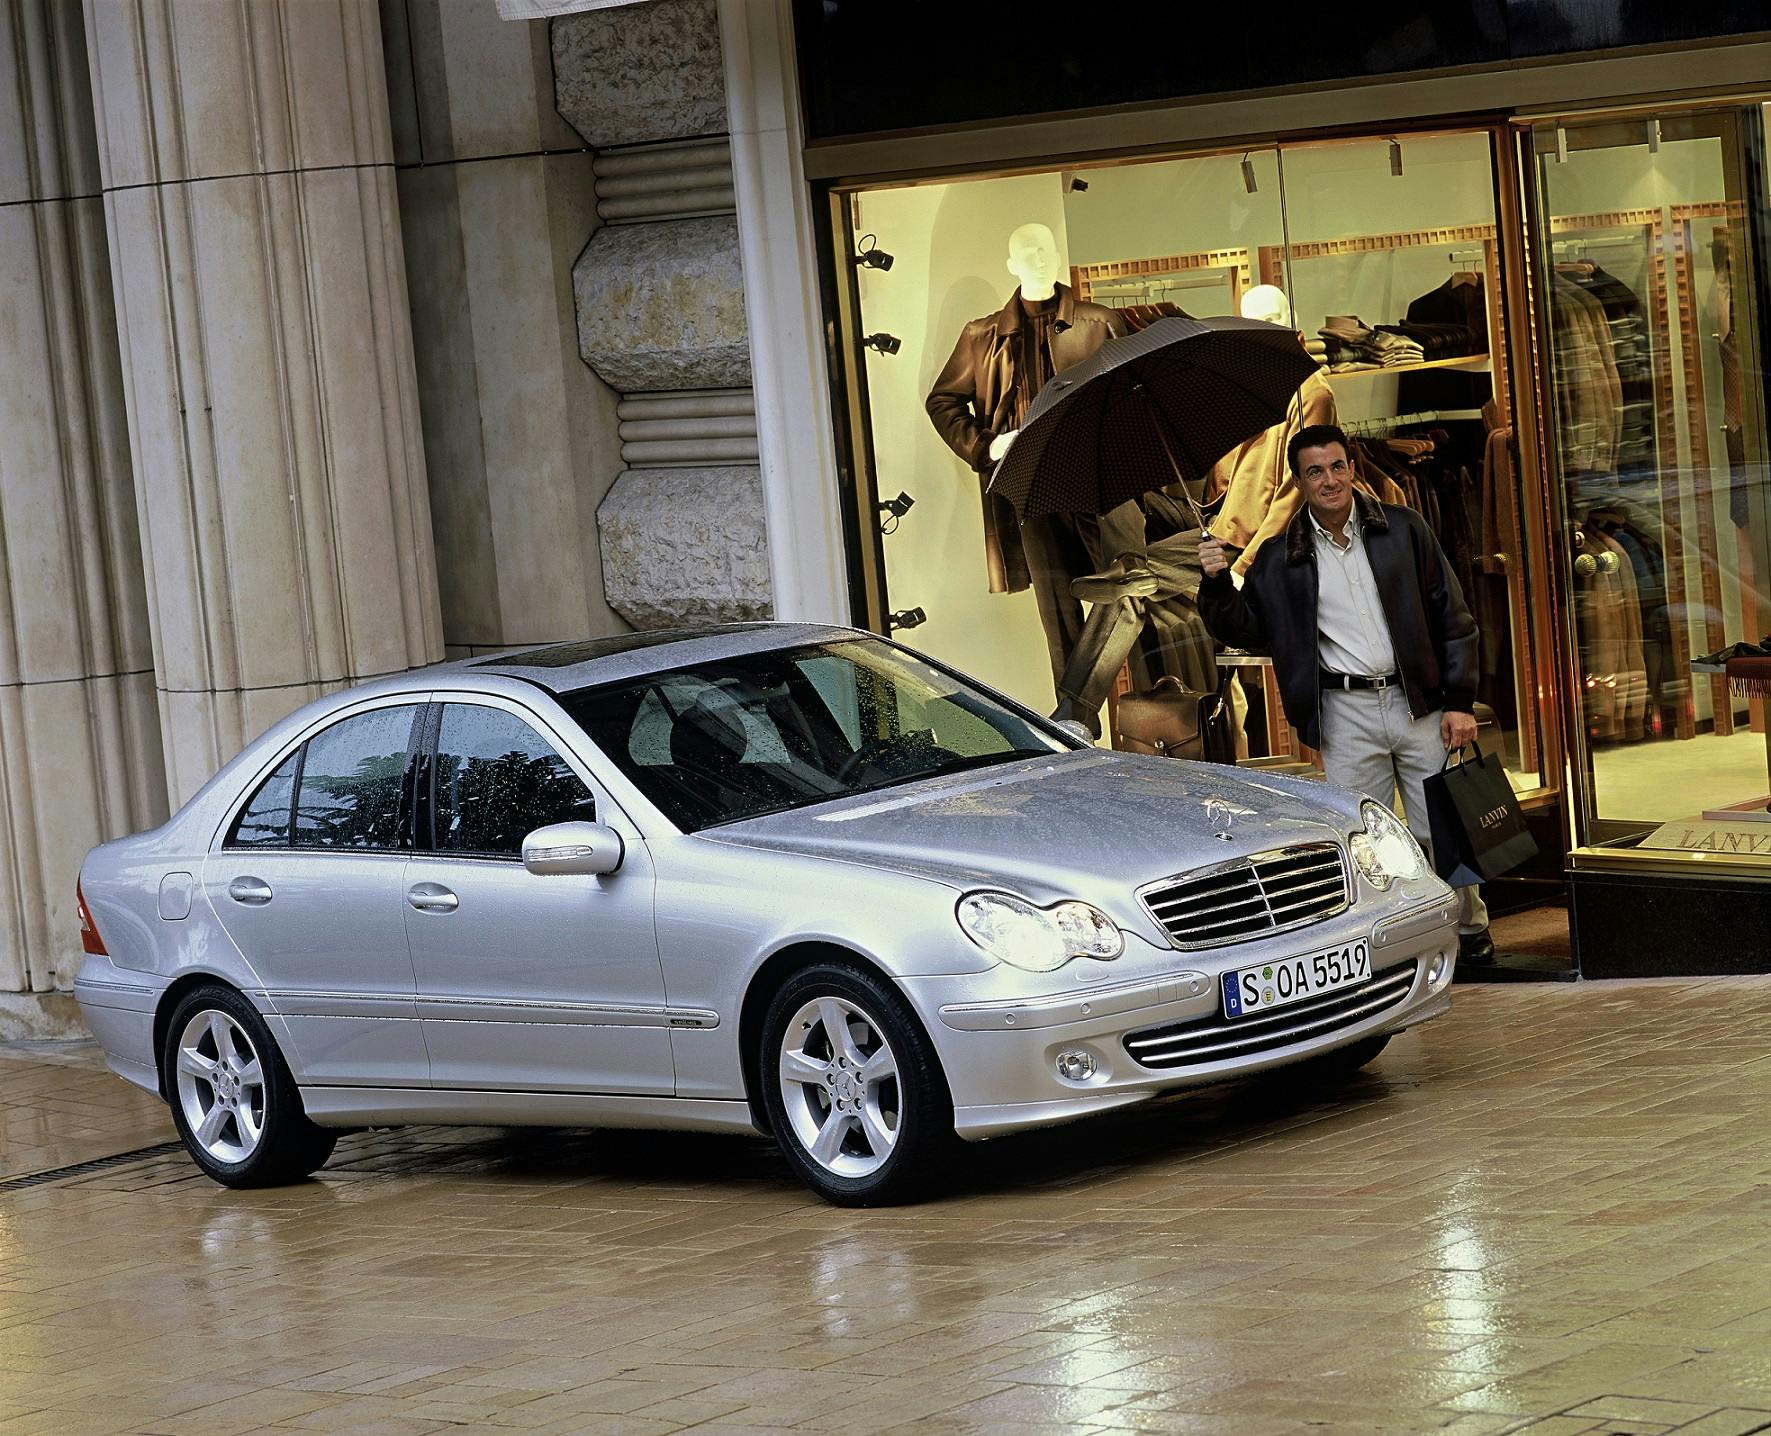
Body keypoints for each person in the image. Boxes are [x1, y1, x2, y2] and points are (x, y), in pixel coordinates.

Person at [1197, 422, 1494, 962]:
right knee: (1367, 844)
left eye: (1337, 467)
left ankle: (1470, 933)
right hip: (1344, 713)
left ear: (1352, 468)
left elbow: (1453, 618)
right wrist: (1216, 582)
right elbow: (1247, 629)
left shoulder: (1404, 530)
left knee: (1441, 828)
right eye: (1315, 472)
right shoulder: (1279, 558)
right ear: (1299, 482)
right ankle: (1397, 946)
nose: (1330, 480)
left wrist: (1459, 701)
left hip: (1418, 705)